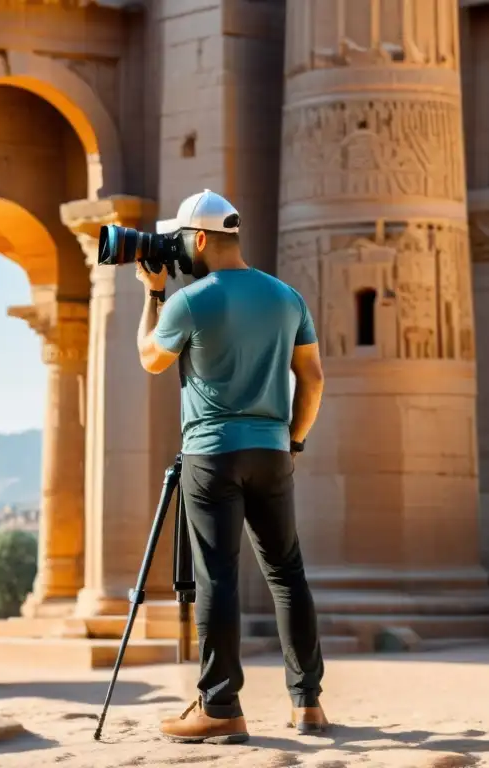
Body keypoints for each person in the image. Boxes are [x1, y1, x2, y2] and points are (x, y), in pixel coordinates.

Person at [133, 189, 327, 745]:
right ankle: (307, 704)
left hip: (211, 453)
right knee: (287, 573)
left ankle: (219, 706)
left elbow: (150, 360)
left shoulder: (189, 300)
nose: (174, 250)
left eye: (179, 240)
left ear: (198, 240)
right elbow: (312, 379)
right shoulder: (287, 297)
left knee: (218, 575)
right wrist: (293, 441)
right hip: (272, 451)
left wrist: (152, 295)